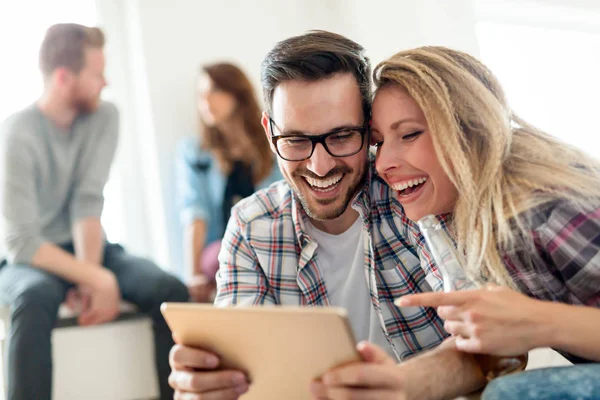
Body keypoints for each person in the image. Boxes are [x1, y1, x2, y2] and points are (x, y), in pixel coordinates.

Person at [169, 31, 491, 400]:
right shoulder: (250, 225)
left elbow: (491, 349)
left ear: (369, 129)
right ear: (269, 132)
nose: (319, 166)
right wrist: (206, 387)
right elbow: (242, 371)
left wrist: (401, 386)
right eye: (296, 141)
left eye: (340, 137)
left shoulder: (411, 194)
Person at [369, 46, 600, 399]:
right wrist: (396, 385)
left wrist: (539, 321)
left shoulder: (547, 205)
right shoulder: (442, 219)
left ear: (470, 128)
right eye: (379, 142)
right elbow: (486, 355)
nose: (384, 163)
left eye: (410, 134)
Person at [0, 23, 189, 400]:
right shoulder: (15, 134)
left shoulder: (105, 117)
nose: (105, 83)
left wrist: (90, 276)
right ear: (64, 77)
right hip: (31, 259)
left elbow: (88, 200)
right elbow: (20, 243)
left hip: (89, 247)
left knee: (170, 290)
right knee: (34, 298)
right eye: (97, 74)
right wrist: (97, 279)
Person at [176, 62, 282, 302]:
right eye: (200, 94)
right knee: (222, 256)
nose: (205, 101)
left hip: (268, 241)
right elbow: (195, 214)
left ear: (237, 94)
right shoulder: (194, 152)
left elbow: (282, 203)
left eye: (214, 91)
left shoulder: (272, 145)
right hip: (222, 246)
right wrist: (193, 274)